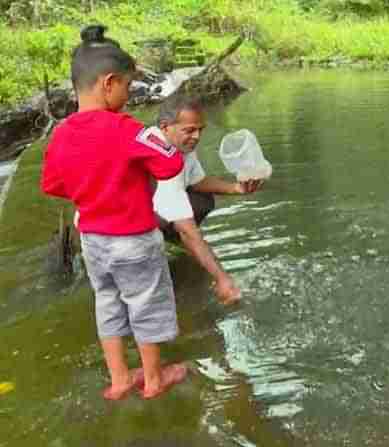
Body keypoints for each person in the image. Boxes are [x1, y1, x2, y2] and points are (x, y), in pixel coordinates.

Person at [40, 25, 188, 400]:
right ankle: (154, 379)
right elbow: (170, 164)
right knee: (146, 302)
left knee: (107, 301)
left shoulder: (61, 134)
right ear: (108, 83)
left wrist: (90, 185)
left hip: (94, 241)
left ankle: (120, 378)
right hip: (133, 239)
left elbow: (52, 185)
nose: (129, 94)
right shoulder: (126, 129)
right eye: (128, 86)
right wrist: (157, 141)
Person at [151, 95, 261, 304]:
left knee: (202, 200)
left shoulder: (180, 145)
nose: (197, 136)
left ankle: (174, 241)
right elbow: (187, 228)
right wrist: (222, 279)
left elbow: (197, 180)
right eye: (190, 130)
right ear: (165, 127)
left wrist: (236, 188)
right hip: (120, 223)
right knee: (187, 231)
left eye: (200, 129)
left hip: (151, 206)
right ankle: (164, 242)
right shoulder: (162, 157)